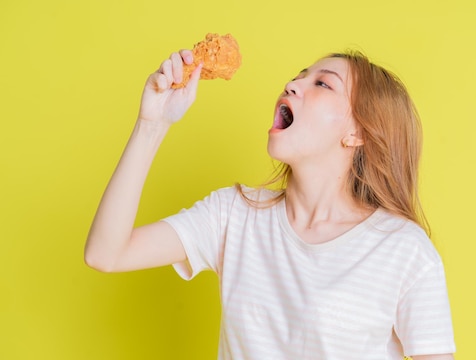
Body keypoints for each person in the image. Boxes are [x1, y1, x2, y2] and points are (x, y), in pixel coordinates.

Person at [85, 47, 456, 360]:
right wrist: (152, 123)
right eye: (299, 76)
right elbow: (105, 254)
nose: (292, 84)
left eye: (322, 83)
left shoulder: (403, 250)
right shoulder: (234, 215)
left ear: (356, 132)